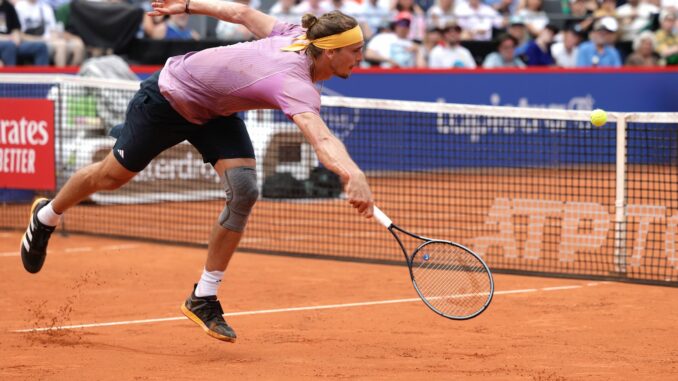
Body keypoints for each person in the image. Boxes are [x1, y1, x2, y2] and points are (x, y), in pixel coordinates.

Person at [19, 1, 374, 343]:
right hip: (167, 99)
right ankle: (46, 215)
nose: (361, 57)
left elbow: (241, 12)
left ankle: (204, 297)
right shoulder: (294, 79)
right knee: (112, 176)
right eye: (355, 50)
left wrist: (189, 5)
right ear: (330, 52)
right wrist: (352, 173)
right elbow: (321, 136)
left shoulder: (300, 36)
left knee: (244, 189)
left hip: (214, 112)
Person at [0, 0, 49, 66]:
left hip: (12, 41)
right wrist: (8, 38)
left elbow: (16, 28)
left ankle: (41, 75)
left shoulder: (8, 6)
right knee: (9, 46)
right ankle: (10, 74)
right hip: (6, 42)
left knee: (41, 46)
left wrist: (16, 35)